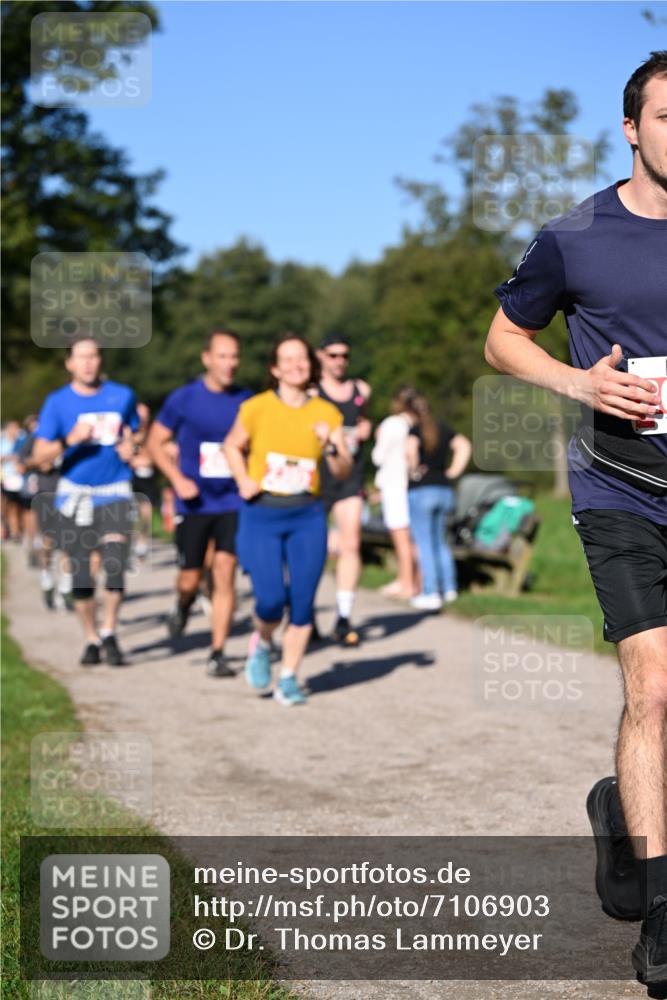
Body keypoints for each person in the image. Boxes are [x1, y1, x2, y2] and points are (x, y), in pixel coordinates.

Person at [485, 51, 667, 999]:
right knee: (655, 688)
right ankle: (666, 921)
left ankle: (621, 819)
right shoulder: (576, 235)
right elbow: (502, 336)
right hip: (621, 487)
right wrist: (578, 381)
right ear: (631, 128)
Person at [224, 333, 352, 706]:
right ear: (275, 368)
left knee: (301, 601)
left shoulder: (326, 413)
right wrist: (243, 479)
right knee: (269, 600)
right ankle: (263, 643)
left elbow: (342, 470)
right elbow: (232, 445)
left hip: (306, 514)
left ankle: (290, 677)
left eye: (302, 359)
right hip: (262, 512)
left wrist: (330, 444)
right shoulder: (256, 407)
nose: (297, 365)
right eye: (288, 359)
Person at [147, 329, 252, 677]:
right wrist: (178, 480)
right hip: (194, 502)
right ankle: (182, 604)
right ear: (206, 358)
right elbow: (154, 442)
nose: (230, 363)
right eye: (222, 356)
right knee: (190, 578)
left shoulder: (248, 401)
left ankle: (217, 651)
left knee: (224, 572)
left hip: (233, 501)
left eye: (234, 356)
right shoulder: (184, 398)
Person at [32, 336, 141, 666]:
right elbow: (40, 457)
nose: (88, 363)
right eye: (81, 358)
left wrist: (131, 447)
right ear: (69, 363)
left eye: (93, 356)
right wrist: (70, 440)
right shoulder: (57, 402)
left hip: (115, 489)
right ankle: (91, 638)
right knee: (82, 574)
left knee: (115, 562)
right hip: (75, 493)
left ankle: (109, 632)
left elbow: (134, 432)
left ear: (101, 360)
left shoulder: (122, 395)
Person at [316, 333, 373, 646]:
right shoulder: (312, 391)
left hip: (350, 475)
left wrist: (366, 428)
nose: (339, 361)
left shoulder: (361, 389)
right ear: (321, 356)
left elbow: (363, 420)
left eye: (344, 356)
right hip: (316, 478)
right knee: (314, 549)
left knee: (350, 544)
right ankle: (304, 612)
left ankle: (343, 616)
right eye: (333, 355)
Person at [407, 394, 471, 611]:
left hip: (422, 490)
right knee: (440, 541)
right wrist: (452, 472)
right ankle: (450, 589)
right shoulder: (443, 428)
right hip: (444, 490)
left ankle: (431, 591)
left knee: (424, 543)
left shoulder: (414, 430)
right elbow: (463, 445)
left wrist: (413, 470)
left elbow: (411, 451)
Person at [371, 387, 419, 600]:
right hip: (412, 485)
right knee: (412, 538)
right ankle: (414, 581)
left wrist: (377, 436)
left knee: (401, 537)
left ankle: (406, 583)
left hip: (394, 484)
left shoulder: (392, 424)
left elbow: (378, 457)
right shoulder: (418, 424)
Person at [130, 403, 159, 562]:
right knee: (129, 515)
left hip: (148, 478)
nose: (143, 418)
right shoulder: (129, 432)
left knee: (146, 515)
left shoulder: (154, 432)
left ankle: (143, 542)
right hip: (132, 478)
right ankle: (130, 543)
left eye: (145, 414)